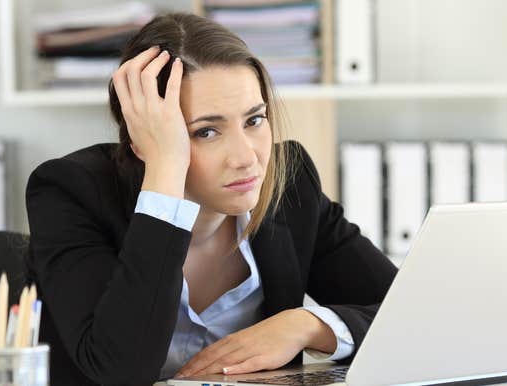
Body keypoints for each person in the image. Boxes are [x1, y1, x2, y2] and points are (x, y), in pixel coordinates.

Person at [25, 12, 397, 386]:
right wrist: (166, 167)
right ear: (143, 138)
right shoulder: (71, 191)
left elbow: (412, 314)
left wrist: (306, 325)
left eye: (254, 120)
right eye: (205, 132)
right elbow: (121, 369)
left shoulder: (291, 183)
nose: (246, 157)